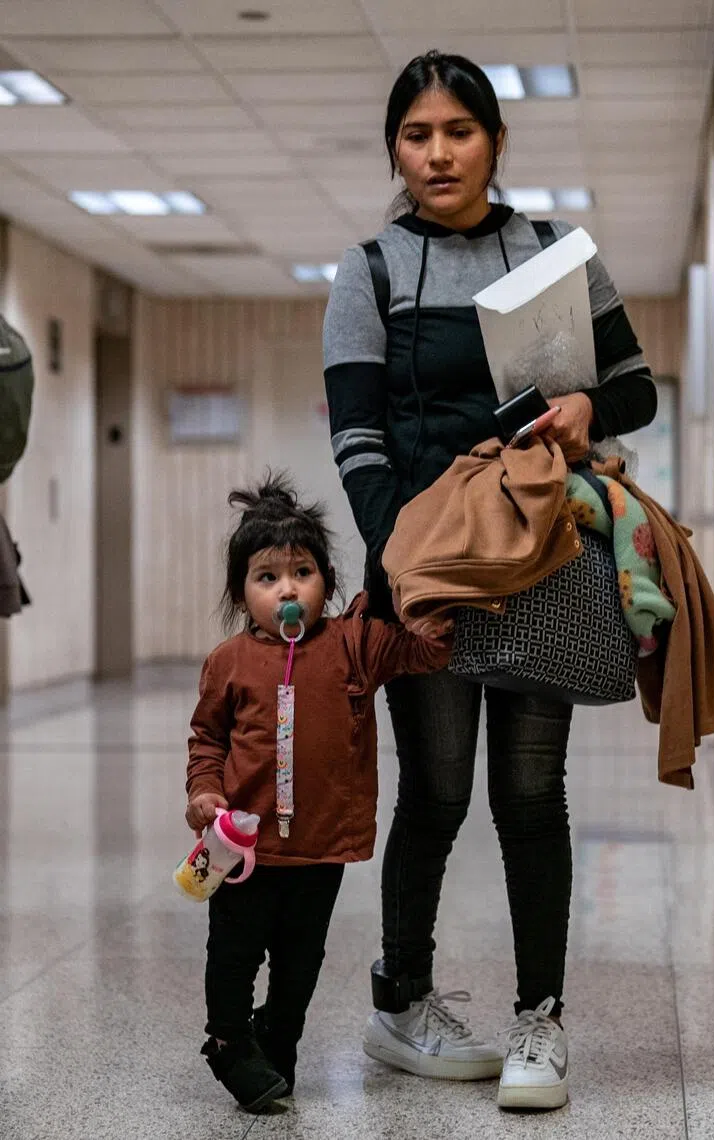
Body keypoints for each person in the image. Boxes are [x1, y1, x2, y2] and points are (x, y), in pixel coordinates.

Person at [322, 50, 658, 1110]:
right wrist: (396, 565)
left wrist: (589, 410)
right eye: (416, 136)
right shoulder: (368, 271)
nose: (437, 154)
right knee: (437, 792)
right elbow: (359, 438)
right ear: (396, 150)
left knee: (528, 794)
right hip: (432, 571)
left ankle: (539, 1023)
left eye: (457, 132)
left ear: (495, 142)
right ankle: (402, 1000)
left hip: (544, 557)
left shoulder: (557, 254)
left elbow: (637, 386)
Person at [185, 474, 450, 1113]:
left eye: (301, 571)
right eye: (266, 577)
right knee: (234, 955)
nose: (286, 589)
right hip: (243, 850)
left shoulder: (355, 644)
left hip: (320, 847)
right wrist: (203, 792)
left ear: (326, 581)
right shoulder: (228, 661)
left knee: (300, 964)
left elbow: (428, 651)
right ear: (241, 592)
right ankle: (226, 1039)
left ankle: (278, 1038)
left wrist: (430, 594)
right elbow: (207, 739)